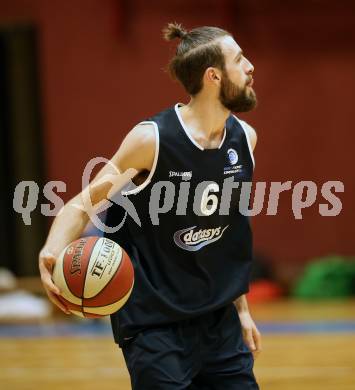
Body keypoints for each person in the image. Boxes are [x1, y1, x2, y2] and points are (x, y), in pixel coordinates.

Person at [39, 22, 261, 389]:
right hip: (155, 327)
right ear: (213, 76)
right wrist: (51, 249)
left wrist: (242, 311)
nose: (250, 66)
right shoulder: (152, 140)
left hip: (219, 323)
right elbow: (82, 205)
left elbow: (228, 241)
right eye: (239, 59)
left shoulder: (244, 139)